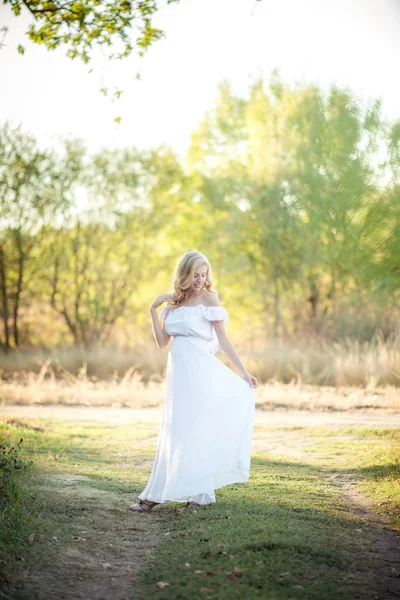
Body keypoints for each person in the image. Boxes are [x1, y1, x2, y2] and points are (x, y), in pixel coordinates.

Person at [129, 251, 257, 512]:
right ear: (184, 274)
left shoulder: (209, 299)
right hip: (179, 374)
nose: (200, 279)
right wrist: (153, 310)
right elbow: (163, 342)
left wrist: (242, 372)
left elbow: (223, 339)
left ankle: (199, 496)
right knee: (173, 431)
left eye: (204, 274)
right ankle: (156, 493)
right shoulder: (175, 302)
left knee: (195, 429)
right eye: (195, 274)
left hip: (201, 372)